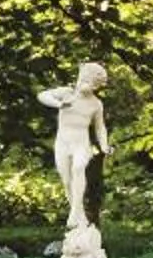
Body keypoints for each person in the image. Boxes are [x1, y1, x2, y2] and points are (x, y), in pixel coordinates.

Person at [38, 61, 110, 235]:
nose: (89, 87)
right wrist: (59, 104)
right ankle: (80, 217)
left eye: (94, 86)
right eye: (87, 82)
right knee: (67, 181)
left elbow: (100, 127)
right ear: (81, 78)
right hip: (63, 143)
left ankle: (74, 212)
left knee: (78, 169)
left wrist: (104, 145)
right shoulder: (66, 93)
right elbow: (43, 95)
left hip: (81, 143)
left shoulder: (96, 104)